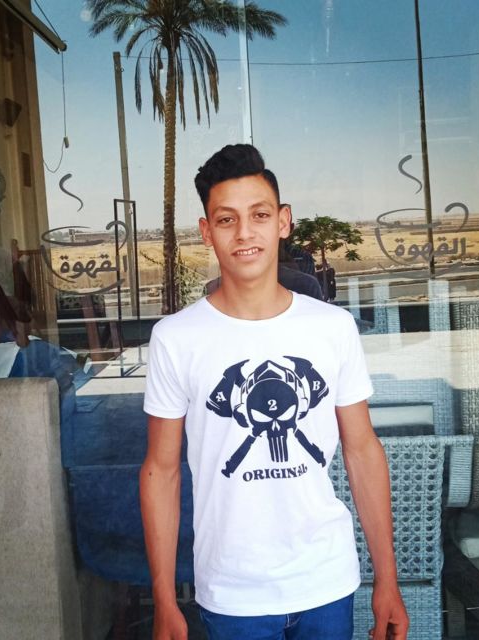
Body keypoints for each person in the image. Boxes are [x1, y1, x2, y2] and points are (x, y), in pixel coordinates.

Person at [141, 144, 408, 640]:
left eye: (259, 215)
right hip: (231, 591)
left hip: (327, 580)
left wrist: (387, 578)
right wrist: (163, 596)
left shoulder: (332, 328)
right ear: (207, 231)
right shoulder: (176, 339)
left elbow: (363, 450)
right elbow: (161, 470)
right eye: (226, 219)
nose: (245, 232)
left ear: (283, 221)